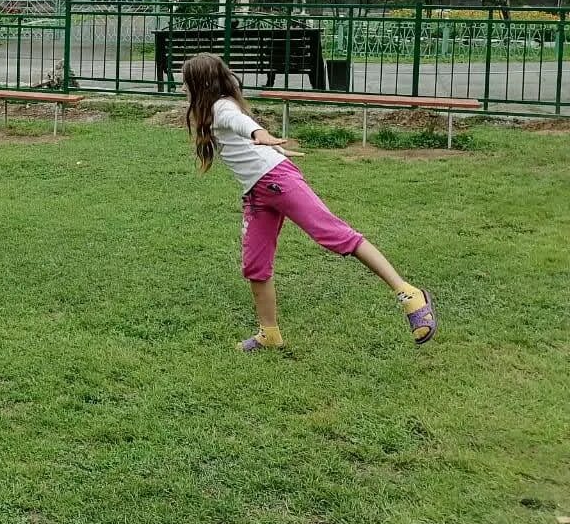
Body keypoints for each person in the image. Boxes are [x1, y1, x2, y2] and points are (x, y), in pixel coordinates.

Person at [180, 52, 437, 351]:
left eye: (186, 82)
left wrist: (261, 134)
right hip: (258, 190)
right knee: (255, 265)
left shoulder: (222, 107)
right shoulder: (214, 109)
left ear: (199, 83)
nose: (183, 87)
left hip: (277, 181)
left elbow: (241, 123)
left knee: (335, 235)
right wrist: (267, 147)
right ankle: (269, 333)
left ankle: (409, 293)